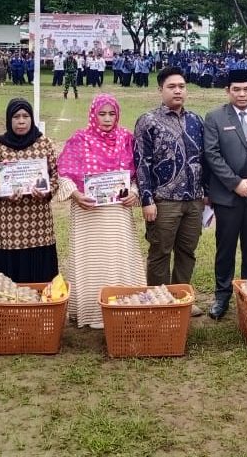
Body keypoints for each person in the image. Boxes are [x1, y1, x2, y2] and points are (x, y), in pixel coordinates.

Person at [56, 94, 145, 328]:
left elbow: (137, 175)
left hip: (117, 212)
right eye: (102, 114)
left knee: (117, 259)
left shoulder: (127, 138)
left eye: (111, 113)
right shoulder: (80, 139)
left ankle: (122, 308)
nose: (107, 119)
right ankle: (90, 312)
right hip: (88, 212)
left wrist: (135, 192)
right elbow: (63, 173)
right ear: (93, 115)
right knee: (91, 262)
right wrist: (75, 194)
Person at [202, 69, 247, 319]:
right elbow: (212, 155)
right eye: (236, 89)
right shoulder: (214, 117)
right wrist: (235, 183)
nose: (242, 94)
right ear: (228, 91)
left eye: (246, 89)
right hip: (227, 196)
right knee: (225, 248)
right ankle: (222, 295)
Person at [134, 66, 208, 316]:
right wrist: (146, 199)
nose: (178, 91)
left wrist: (206, 193)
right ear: (160, 90)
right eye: (171, 87)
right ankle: (157, 301)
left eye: (181, 86)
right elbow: (142, 162)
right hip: (163, 201)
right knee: (160, 251)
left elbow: (204, 159)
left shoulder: (197, 120)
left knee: (187, 251)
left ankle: (181, 298)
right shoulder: (148, 121)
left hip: (194, 200)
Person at [0, 99, 60, 283]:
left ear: (32, 118)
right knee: (8, 272)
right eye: (16, 117)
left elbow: (56, 174)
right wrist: (1, 192)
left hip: (39, 221)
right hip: (8, 221)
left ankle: (41, 307)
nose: (21, 121)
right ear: (9, 119)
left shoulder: (44, 144)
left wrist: (47, 192)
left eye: (26, 116)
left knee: (40, 270)